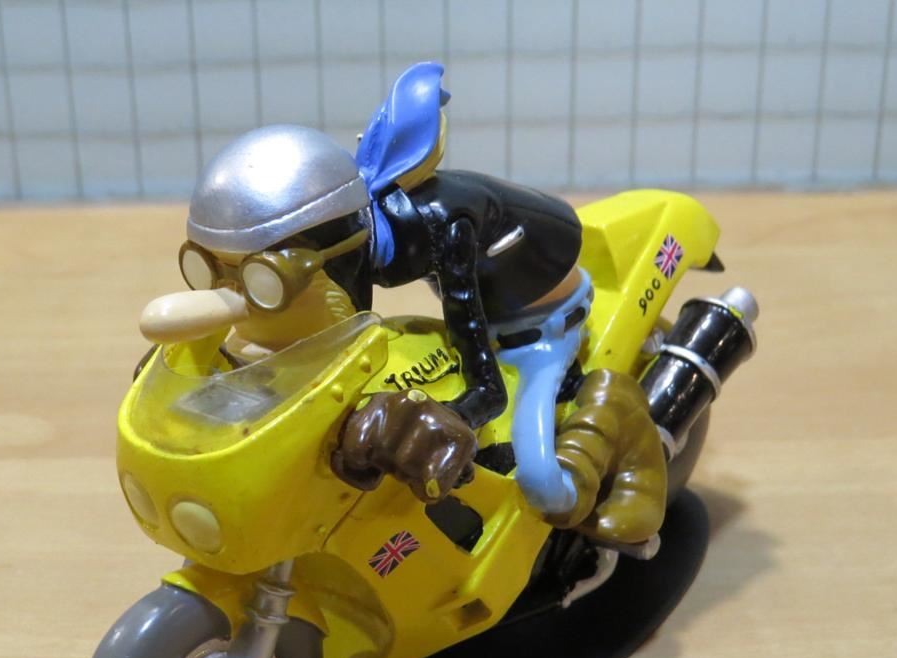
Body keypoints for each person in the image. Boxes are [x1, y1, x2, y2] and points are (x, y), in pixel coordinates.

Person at [180, 62, 597, 518]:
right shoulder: (367, 220)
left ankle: (609, 475)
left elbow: (487, 385)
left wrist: (454, 419)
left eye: (265, 279)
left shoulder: (447, 227)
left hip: (537, 323)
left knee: (541, 482)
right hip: (489, 298)